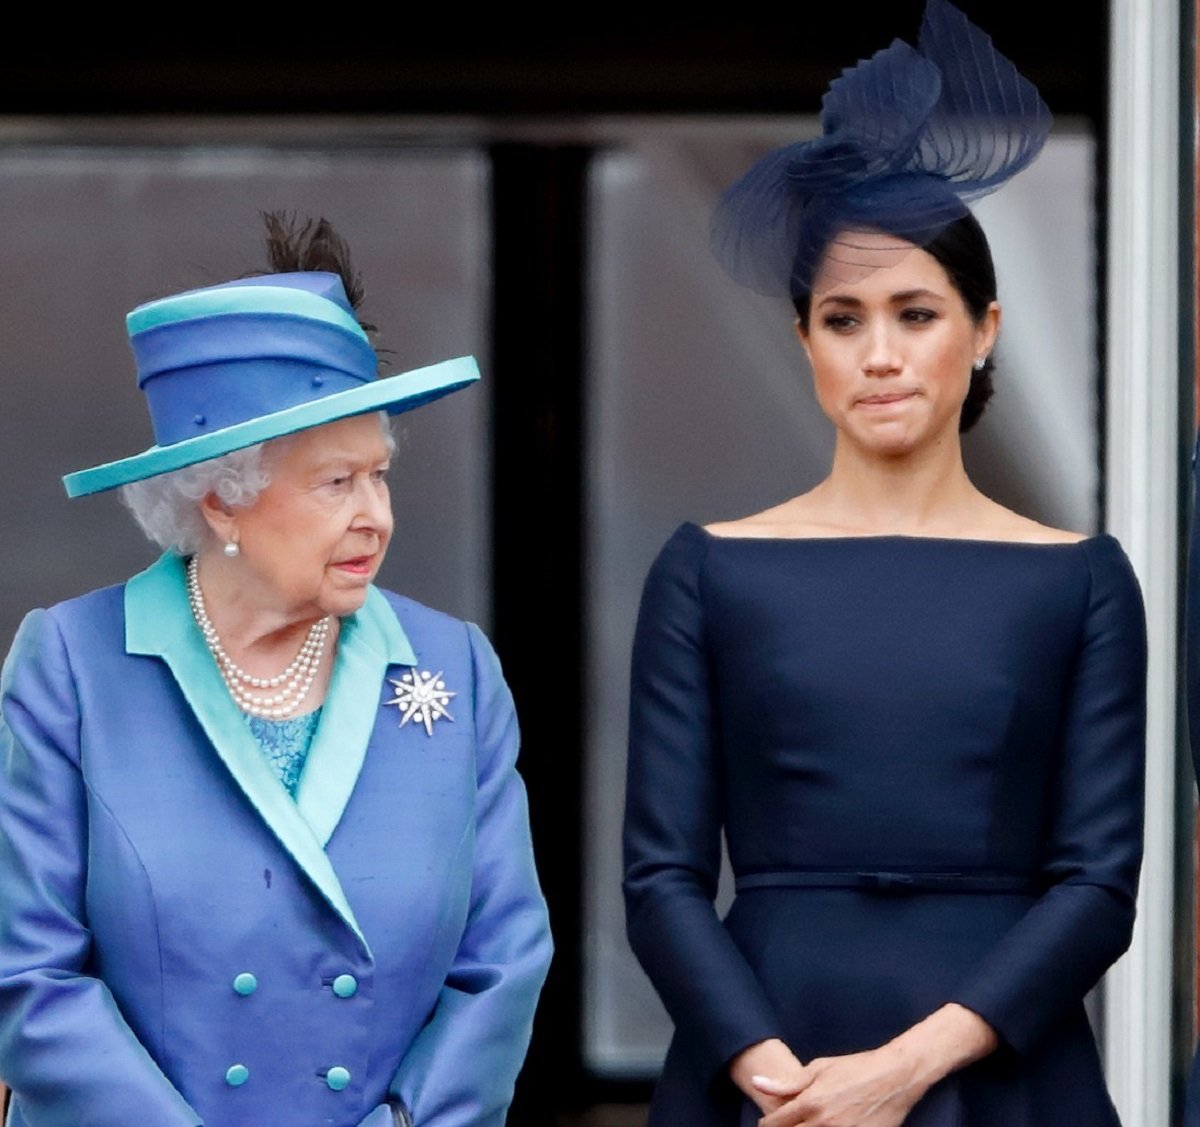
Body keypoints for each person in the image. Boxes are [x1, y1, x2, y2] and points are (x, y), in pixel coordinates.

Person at [621, 3, 1147, 1125]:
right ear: (804, 339)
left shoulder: (1082, 578)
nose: (883, 354)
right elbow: (660, 880)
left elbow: (1099, 887)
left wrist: (901, 1071)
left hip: (1002, 1067)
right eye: (843, 318)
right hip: (763, 1068)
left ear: (986, 327)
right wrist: (779, 1076)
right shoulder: (708, 571)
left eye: (916, 312)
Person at [0, 213, 553, 1126]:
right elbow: (27, 972)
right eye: (336, 483)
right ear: (222, 495)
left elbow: (503, 960)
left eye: (380, 476)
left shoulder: (456, 666)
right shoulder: (73, 667)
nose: (375, 514)